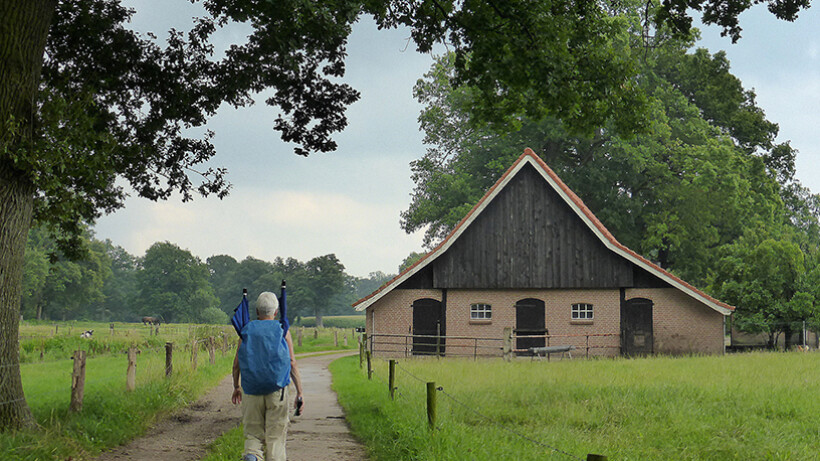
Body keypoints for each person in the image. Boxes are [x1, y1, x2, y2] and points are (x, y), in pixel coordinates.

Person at [232, 292, 303, 461]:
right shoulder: (282, 330)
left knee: (253, 435)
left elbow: (236, 365)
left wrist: (236, 387)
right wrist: (300, 392)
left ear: (257, 311)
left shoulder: (246, 331)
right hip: (277, 392)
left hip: (251, 391)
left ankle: (252, 456)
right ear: (276, 312)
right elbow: (292, 363)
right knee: (276, 437)